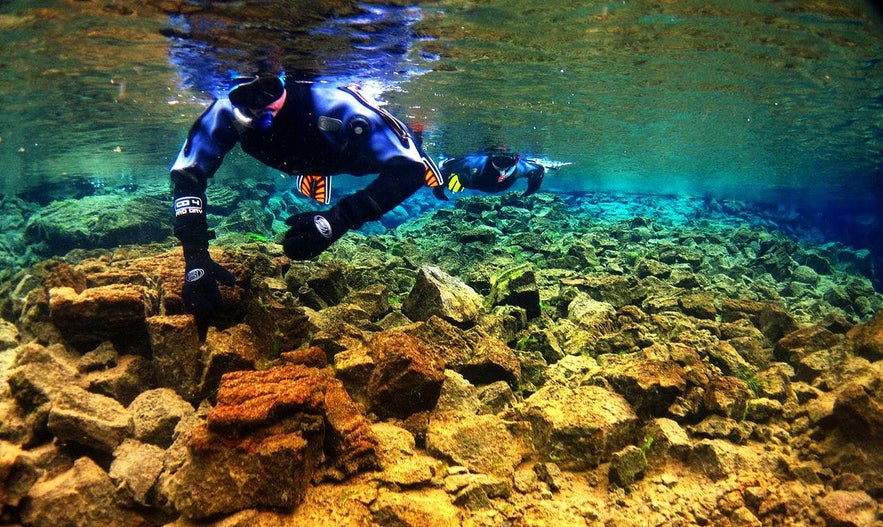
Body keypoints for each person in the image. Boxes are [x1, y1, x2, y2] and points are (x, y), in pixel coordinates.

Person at [170, 74, 443, 338]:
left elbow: (409, 171)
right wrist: (195, 257)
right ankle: (312, 172)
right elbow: (187, 176)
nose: (258, 104)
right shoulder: (225, 112)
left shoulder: (337, 106)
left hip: (356, 155)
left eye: (268, 89)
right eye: (244, 94)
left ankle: (420, 142)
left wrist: (339, 218)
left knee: (411, 154)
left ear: (285, 80)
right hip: (308, 158)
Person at [433, 152, 545, 200]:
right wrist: (439, 189)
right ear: (492, 157)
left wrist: (530, 190)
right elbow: (445, 169)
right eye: (499, 161)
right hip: (469, 181)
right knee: (455, 171)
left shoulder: (521, 168)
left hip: (495, 184)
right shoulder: (474, 163)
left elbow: (538, 173)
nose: (502, 166)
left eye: (508, 162)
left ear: (515, 160)